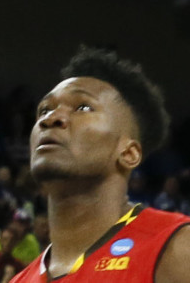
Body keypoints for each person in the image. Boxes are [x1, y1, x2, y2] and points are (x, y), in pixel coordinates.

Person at [11, 47, 190, 282]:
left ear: (128, 153)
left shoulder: (176, 246)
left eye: (83, 107)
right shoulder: (19, 279)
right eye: (44, 109)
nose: (50, 118)